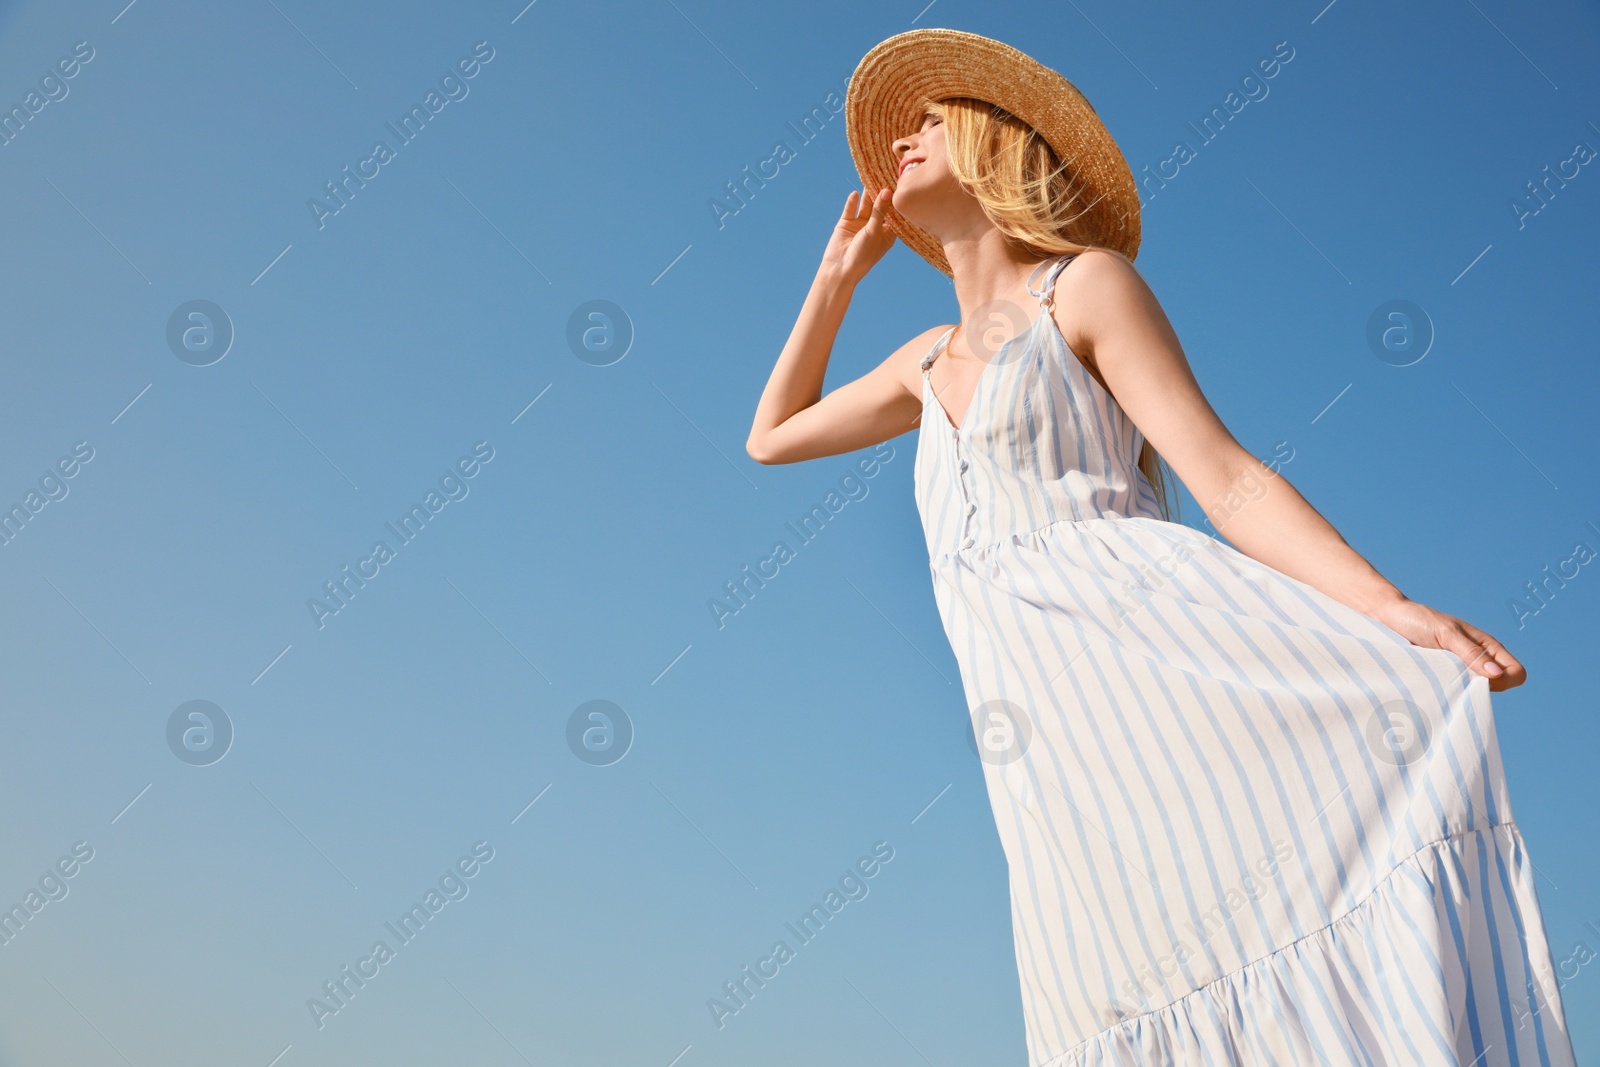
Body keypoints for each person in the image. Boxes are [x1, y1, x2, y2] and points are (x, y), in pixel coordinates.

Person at [744, 27, 1577, 1067]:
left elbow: (1223, 473)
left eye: (927, 124)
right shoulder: (922, 360)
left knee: (1264, 907)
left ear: (996, 146)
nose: (900, 143)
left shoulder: (1080, 289)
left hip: (1157, 660)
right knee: (1100, 987)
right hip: (1045, 737)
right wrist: (836, 278)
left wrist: (1390, 607)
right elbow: (770, 436)